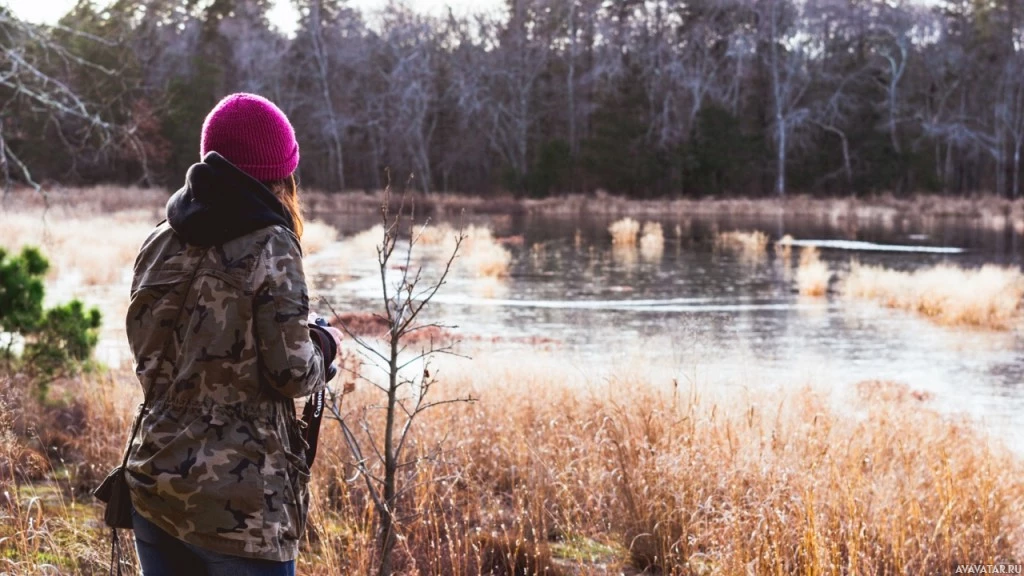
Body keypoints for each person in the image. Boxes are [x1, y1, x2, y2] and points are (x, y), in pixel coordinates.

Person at [123, 93, 343, 576]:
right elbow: (291, 373)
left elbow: (149, 353)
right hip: (241, 510)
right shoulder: (273, 243)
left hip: (155, 482)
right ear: (278, 173)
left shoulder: (160, 238)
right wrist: (325, 346)